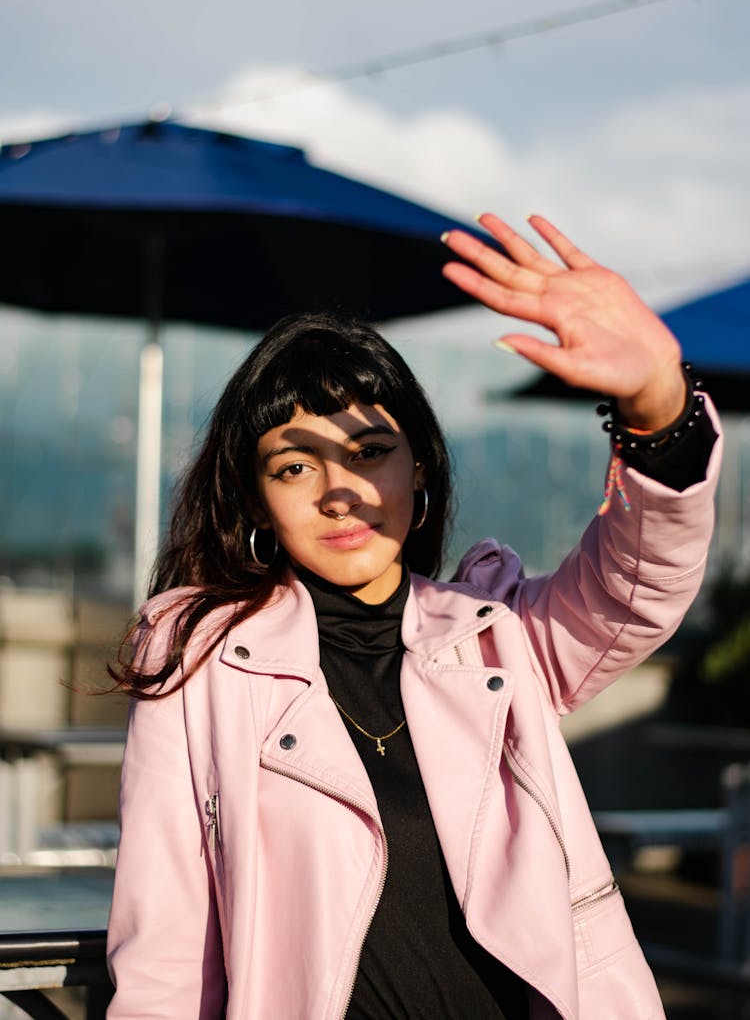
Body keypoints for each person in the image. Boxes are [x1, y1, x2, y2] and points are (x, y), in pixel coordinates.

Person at [105, 213, 721, 1020]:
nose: (341, 489)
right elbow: (167, 948)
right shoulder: (199, 657)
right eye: (295, 463)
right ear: (258, 498)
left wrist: (656, 404)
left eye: (370, 450)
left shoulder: (497, 633)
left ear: (419, 463)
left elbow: (637, 584)